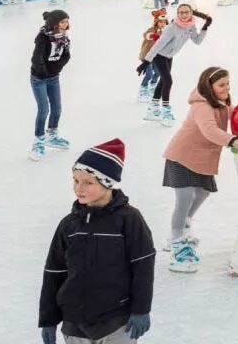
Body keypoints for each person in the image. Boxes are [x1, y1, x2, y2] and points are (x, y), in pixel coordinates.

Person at [39, 139, 155, 344]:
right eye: (75, 180)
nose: (79, 188)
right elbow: (54, 272)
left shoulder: (129, 219)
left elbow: (143, 266)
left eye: (88, 183)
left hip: (117, 322)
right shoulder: (69, 225)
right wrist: (48, 319)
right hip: (74, 324)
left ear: (107, 182)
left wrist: (141, 309)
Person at [161, 67, 238, 272]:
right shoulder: (201, 105)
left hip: (202, 158)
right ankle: (175, 239)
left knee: (204, 191)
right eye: (221, 85)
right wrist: (232, 141)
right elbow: (209, 130)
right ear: (209, 86)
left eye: (228, 83)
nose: (226, 88)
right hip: (182, 155)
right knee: (183, 198)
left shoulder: (224, 102)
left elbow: (236, 116)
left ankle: (184, 223)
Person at [139, 4, 212, 127]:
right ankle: (166, 110)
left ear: (191, 13)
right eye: (181, 12)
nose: (183, 15)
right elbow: (158, 45)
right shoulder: (172, 27)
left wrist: (205, 27)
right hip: (159, 55)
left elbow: (198, 41)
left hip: (168, 56)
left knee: (163, 81)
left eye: (186, 12)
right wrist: (146, 61)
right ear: (177, 14)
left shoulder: (191, 26)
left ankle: (153, 109)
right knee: (168, 81)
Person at [29, 9, 72, 162]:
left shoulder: (64, 37)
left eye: (67, 21)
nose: (65, 25)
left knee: (57, 108)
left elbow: (66, 55)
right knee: (43, 109)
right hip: (39, 78)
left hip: (53, 77)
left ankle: (52, 135)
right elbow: (36, 59)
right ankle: (39, 141)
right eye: (62, 22)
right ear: (54, 23)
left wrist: (56, 68)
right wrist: (44, 72)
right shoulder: (42, 37)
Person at [137, 8, 167, 103]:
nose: (162, 24)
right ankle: (143, 89)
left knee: (158, 73)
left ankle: (153, 86)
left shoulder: (164, 32)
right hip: (146, 56)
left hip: (155, 57)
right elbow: (146, 35)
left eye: (164, 22)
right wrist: (153, 36)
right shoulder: (152, 29)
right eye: (160, 22)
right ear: (156, 22)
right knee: (149, 74)